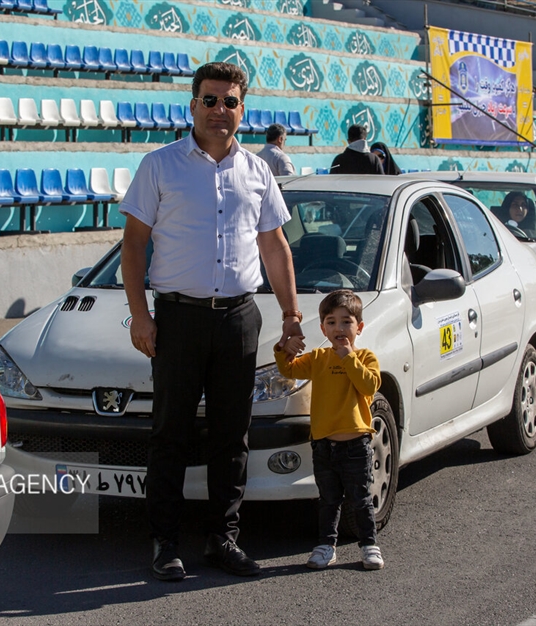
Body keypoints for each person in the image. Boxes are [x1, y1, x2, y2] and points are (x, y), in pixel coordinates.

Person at [119, 62, 304, 583]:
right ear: (192, 105)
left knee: (231, 435)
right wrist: (140, 315)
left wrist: (291, 317)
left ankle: (224, 539)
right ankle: (166, 543)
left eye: (230, 101)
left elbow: (274, 246)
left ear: (242, 109)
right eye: (210, 100)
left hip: (239, 319)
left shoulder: (258, 171)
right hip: (178, 317)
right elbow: (134, 247)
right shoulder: (160, 165)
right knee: (170, 434)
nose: (220, 110)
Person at [273, 289, 384, 571]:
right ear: (323, 327)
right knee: (328, 500)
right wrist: (284, 349)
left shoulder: (366, 357)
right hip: (323, 445)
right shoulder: (319, 358)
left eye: (346, 322)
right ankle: (326, 546)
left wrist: (348, 357)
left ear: (359, 327)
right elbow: (289, 370)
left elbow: (370, 386)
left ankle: (369, 545)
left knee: (360, 499)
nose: (339, 329)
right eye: (331, 322)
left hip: (357, 444)